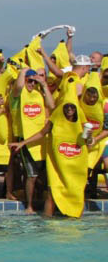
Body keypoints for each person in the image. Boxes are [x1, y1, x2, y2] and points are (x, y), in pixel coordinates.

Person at [10, 78, 89, 217]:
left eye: (72, 107)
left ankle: (77, 220)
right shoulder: (57, 115)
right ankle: (48, 223)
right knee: (52, 193)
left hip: (75, 163)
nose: (69, 109)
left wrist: (91, 138)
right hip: (58, 162)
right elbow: (42, 133)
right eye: (67, 107)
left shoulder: (81, 116)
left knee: (77, 193)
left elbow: (87, 138)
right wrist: (22, 143)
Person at [9, 68, 55, 213]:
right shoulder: (16, 95)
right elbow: (18, 86)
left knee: (44, 173)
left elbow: (51, 105)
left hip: (41, 138)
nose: (32, 84)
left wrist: (44, 85)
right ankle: (29, 205)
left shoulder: (38, 94)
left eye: (34, 82)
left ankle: (42, 200)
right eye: (30, 81)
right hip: (24, 140)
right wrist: (24, 71)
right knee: (32, 175)